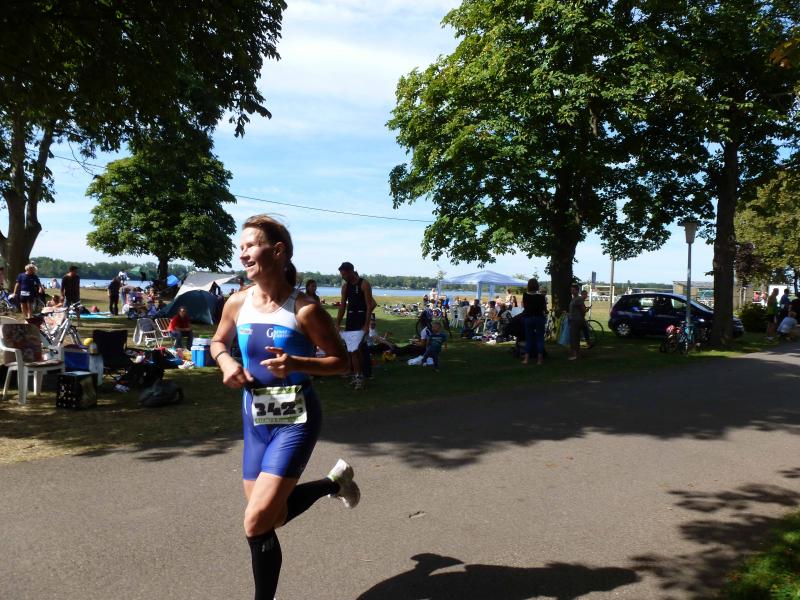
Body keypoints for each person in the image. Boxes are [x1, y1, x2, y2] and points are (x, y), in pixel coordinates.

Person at [209, 214, 358, 600]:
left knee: (256, 521)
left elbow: (342, 362)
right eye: (240, 247)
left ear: (277, 251)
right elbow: (217, 342)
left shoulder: (304, 310)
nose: (243, 254)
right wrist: (226, 363)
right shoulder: (237, 302)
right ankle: (334, 483)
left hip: (296, 419)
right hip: (255, 419)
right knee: (270, 517)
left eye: (251, 246)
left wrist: (296, 363)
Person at [335, 262, 376, 390]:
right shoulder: (345, 287)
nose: (343, 277)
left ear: (351, 272)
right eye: (341, 274)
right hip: (351, 320)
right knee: (352, 350)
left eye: (344, 274)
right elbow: (342, 306)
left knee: (357, 349)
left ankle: (360, 375)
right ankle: (358, 375)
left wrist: (366, 324)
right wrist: (337, 323)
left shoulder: (364, 284)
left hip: (361, 319)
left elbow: (370, 305)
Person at [522, 278, 547, 365]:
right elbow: (544, 308)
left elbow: (524, 306)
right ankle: (539, 360)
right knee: (540, 338)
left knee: (528, 338)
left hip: (528, 318)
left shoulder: (525, 295)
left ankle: (526, 359)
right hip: (539, 318)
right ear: (537, 286)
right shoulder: (541, 296)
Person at [568, 284, 586, 360]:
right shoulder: (573, 298)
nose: (571, 291)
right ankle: (576, 354)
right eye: (571, 290)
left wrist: (580, 317)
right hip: (573, 320)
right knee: (573, 337)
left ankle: (575, 355)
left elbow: (583, 310)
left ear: (577, 291)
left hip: (576, 320)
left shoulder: (579, 299)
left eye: (573, 290)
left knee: (575, 338)